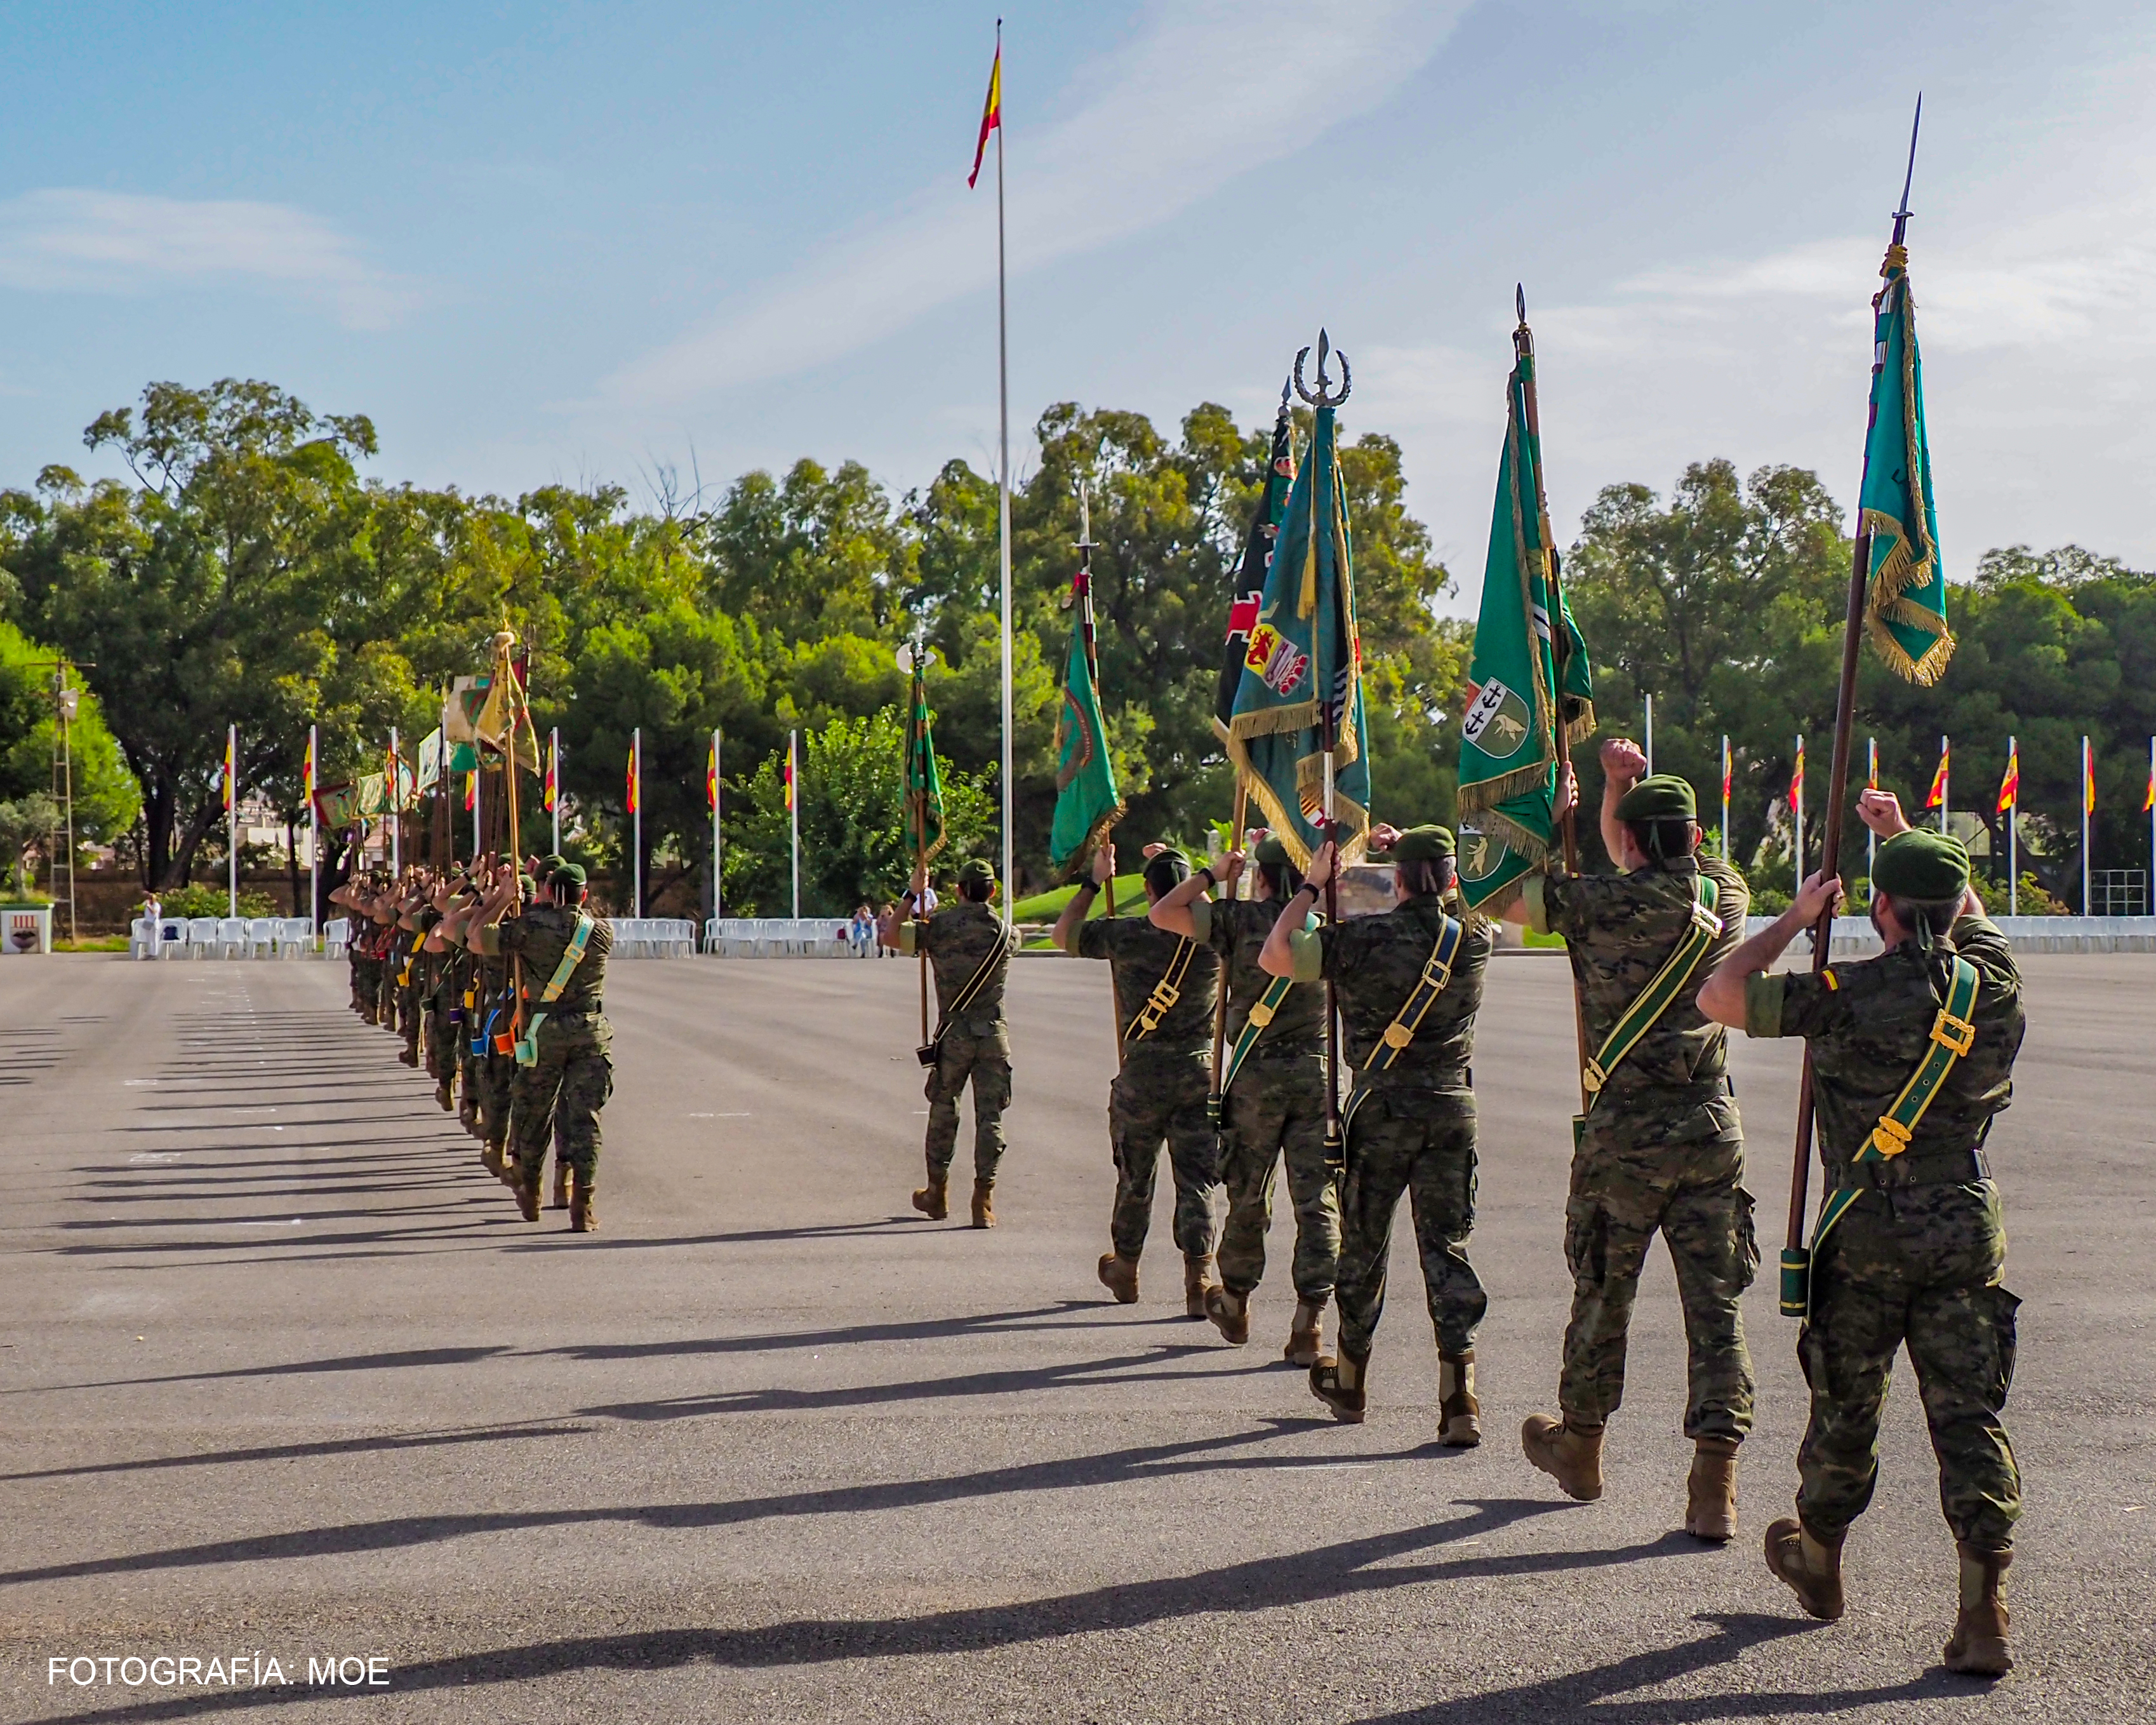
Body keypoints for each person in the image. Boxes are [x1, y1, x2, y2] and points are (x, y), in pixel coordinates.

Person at [1697, 797, 2026, 1677]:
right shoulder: (1991, 980)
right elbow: (1975, 919)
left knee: (1848, 1407)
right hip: (1963, 1227)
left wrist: (1796, 918)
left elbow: (1718, 993)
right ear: (1954, 907)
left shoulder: (1847, 994)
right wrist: (1900, 841)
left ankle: (1820, 1557)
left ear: (1880, 909)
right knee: (1969, 1417)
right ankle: (1982, 1607)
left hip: (1867, 1234)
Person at [1503, 746, 1757, 1541]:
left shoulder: (1596, 904)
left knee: (1604, 1290)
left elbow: (1503, 896)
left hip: (1624, 1134)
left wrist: (1555, 813)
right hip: (1711, 1126)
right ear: (1690, 833)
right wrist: (1620, 793)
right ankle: (1714, 1484)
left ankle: (1581, 1445)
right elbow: (1659, 856)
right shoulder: (1730, 894)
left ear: (1635, 841)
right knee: (1714, 1305)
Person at [1260, 825, 1493, 1445]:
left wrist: (1314, 883)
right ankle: (1459, 1393)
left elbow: (1276, 952)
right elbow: (1482, 892)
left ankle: (1353, 1377)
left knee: (1365, 1247)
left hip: (1380, 1110)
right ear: (1447, 878)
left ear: (1398, 880)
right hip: (1450, 1106)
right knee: (1447, 1249)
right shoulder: (1474, 938)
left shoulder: (1361, 938)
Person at [1150, 832, 1337, 1364]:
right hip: (1315, 1079)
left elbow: (1165, 913)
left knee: (1249, 1196)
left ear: (1260, 877)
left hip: (1255, 1078)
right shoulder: (1328, 927)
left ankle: (1235, 1300)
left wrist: (1211, 873)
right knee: (1317, 1201)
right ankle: (1310, 1321)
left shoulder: (1238, 921)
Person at [1055, 843, 1223, 1315]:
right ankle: (1199, 1278)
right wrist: (1183, 868)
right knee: (1198, 1182)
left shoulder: (1127, 934)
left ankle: (1126, 1268)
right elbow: (1209, 910)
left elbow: (1062, 934)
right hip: (1197, 1073)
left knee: (1135, 1177)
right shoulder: (1211, 940)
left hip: (1143, 1072)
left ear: (1148, 891)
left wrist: (1094, 880)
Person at [475, 859, 616, 1231]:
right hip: (590, 1031)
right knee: (585, 1119)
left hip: (543, 1031)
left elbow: (477, 937)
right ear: (584, 895)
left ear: (550, 892)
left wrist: (506, 899)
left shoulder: (530, 928)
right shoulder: (602, 932)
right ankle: (582, 1205)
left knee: (534, 1113)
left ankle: (531, 1191)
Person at [880, 858, 1017, 1228]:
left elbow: (891, 936)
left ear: (958, 890)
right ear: (992, 891)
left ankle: (937, 1192)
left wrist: (913, 893)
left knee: (944, 1111)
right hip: (992, 1036)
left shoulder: (939, 928)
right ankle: (983, 1199)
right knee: (991, 1118)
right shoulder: (1008, 934)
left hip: (954, 1035)